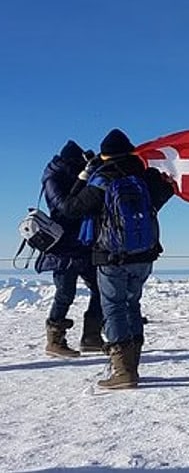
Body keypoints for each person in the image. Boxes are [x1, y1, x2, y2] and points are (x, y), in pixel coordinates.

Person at [59, 128, 174, 389]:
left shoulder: (101, 180)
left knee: (113, 309)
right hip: (144, 255)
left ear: (105, 155)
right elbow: (164, 194)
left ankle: (122, 371)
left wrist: (84, 175)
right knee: (133, 305)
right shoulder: (144, 177)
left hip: (110, 256)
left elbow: (69, 208)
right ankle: (131, 366)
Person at [36, 140, 104, 357]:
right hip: (63, 246)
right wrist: (84, 178)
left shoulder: (70, 173)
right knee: (65, 293)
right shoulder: (53, 177)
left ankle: (91, 337)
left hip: (84, 242)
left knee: (101, 289)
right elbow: (66, 208)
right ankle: (54, 340)